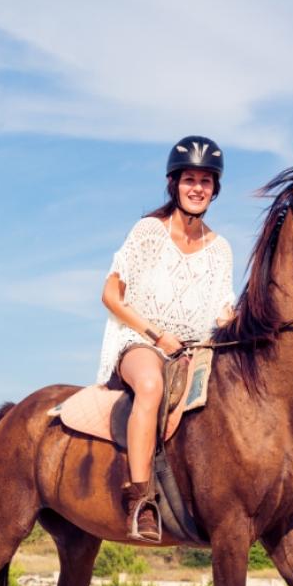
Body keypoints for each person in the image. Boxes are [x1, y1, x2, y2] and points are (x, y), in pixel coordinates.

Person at [98, 136, 235, 542]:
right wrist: (157, 335)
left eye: (206, 181)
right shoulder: (148, 232)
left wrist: (237, 319)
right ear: (174, 183)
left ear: (215, 188)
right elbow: (110, 295)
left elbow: (221, 309)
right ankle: (140, 500)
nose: (197, 188)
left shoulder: (221, 248)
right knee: (152, 384)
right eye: (189, 179)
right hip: (140, 340)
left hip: (197, 349)